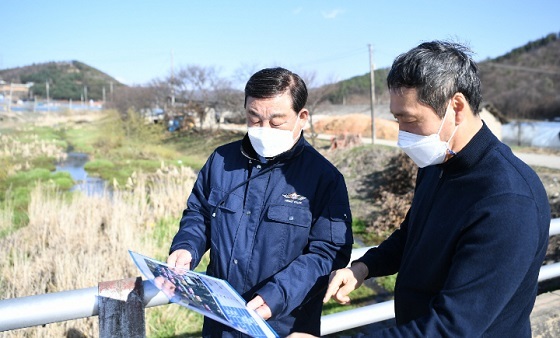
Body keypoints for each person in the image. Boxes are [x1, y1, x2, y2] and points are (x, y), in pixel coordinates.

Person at [323, 41, 551, 337]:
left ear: (456, 107)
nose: (402, 134)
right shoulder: (438, 162)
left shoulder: (507, 201)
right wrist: (364, 267)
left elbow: (452, 328)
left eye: (411, 120)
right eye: (397, 119)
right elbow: (412, 234)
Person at [167, 67, 353, 337]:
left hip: (283, 324)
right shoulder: (221, 161)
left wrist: (277, 296)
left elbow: (327, 253)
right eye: (254, 119)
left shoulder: (324, 178)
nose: (264, 129)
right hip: (221, 320)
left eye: (276, 122)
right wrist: (187, 246)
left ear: (302, 118)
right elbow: (199, 214)